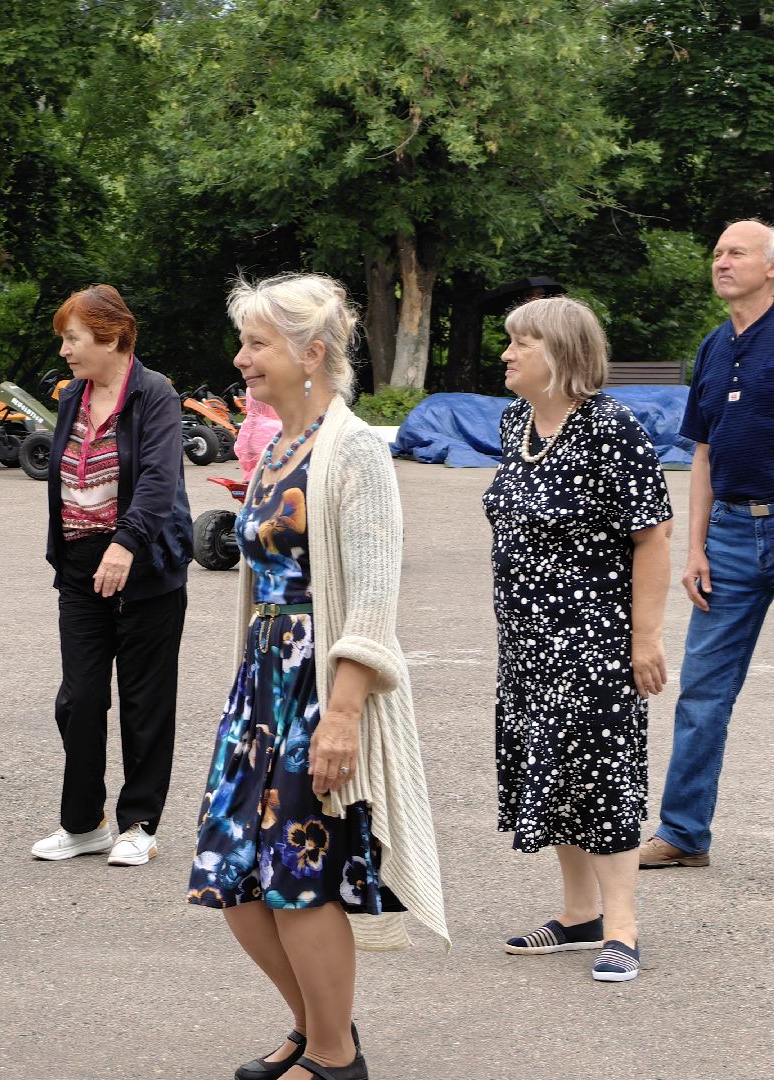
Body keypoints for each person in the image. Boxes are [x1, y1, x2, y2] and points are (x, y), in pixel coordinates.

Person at [189, 273, 448, 1080]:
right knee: (234, 875)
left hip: (317, 687)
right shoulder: (275, 450)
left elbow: (371, 603)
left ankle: (336, 1057)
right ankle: (314, 1028)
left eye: (256, 344)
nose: (242, 360)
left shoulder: (357, 449)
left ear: (313, 353)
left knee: (301, 875)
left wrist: (342, 717)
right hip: (262, 687)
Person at [483, 297, 673, 984]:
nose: (507, 353)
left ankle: (621, 926)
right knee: (554, 770)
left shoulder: (611, 427)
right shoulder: (514, 423)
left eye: (520, 343)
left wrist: (644, 639)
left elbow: (652, 535)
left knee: (603, 774)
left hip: (592, 639)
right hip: (527, 642)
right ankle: (578, 915)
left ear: (560, 354)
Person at [642, 219, 774, 888]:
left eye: (736, 252)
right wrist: (695, 548)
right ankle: (684, 834)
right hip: (728, 537)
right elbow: (704, 452)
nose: (722, 261)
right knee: (704, 692)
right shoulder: (714, 347)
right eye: (717, 252)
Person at [31, 284, 192, 866]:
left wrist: (124, 542)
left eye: (73, 338)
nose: (67, 350)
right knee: (77, 699)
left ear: (111, 336)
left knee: (145, 700)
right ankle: (83, 823)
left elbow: (156, 479)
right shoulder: (74, 395)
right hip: (79, 565)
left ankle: (139, 824)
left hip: (143, 565)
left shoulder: (154, 394)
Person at [235, 387, 282, 479]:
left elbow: (241, 453)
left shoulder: (246, 427)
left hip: (248, 478)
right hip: (269, 479)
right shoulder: (275, 427)